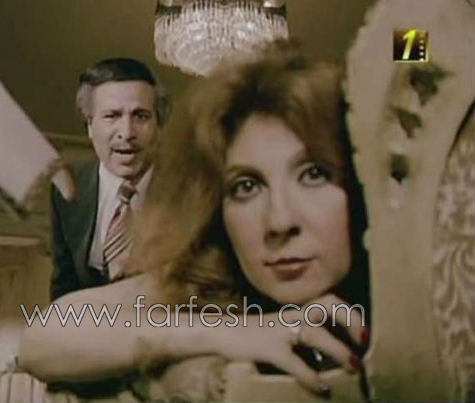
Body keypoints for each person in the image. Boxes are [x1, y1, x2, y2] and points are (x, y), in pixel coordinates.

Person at [20, 41, 369, 400]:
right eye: (246, 186)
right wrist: (226, 331)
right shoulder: (215, 274)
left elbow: (406, 39)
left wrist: (403, 40)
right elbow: (41, 339)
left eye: (314, 174)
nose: (279, 221)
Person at [50, 58, 170, 300]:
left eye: (141, 116)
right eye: (112, 116)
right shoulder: (68, 186)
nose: (127, 133)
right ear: (89, 126)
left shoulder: (191, 188)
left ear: (159, 125)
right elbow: (64, 287)